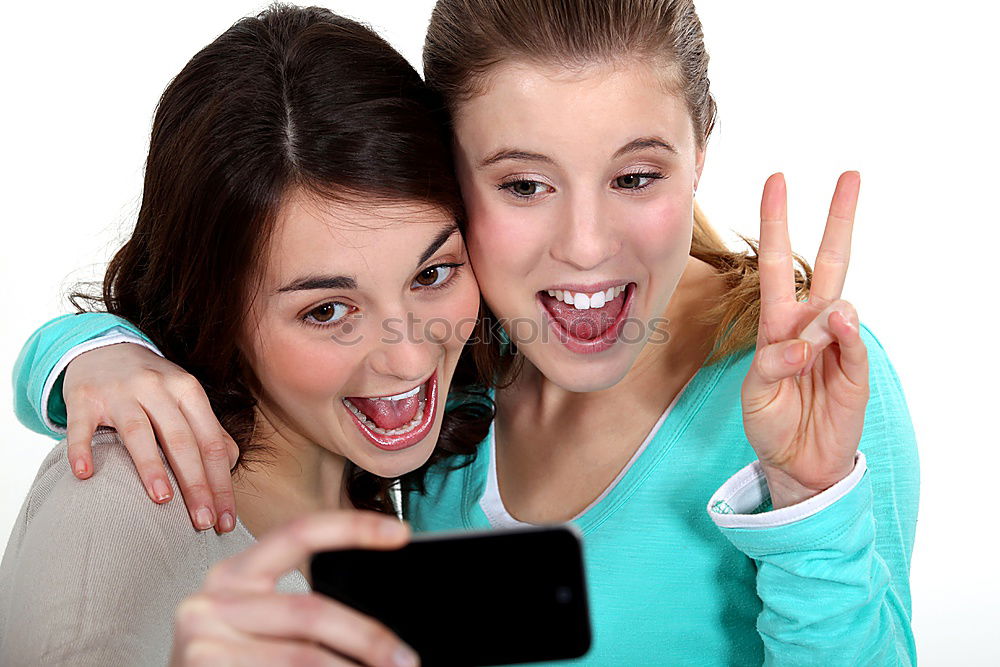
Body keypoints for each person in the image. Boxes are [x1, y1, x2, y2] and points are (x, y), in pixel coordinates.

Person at [10, 1, 919, 664]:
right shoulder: (470, 362)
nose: (586, 246)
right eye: (524, 184)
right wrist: (89, 351)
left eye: (636, 175)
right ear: (449, 181)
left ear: (701, 154)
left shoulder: (806, 389)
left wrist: (809, 508)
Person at [1, 4, 489, 665]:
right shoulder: (119, 498)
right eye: (326, 311)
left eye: (432, 272)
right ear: (219, 306)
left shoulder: (392, 475)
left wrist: (72, 348)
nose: (408, 354)